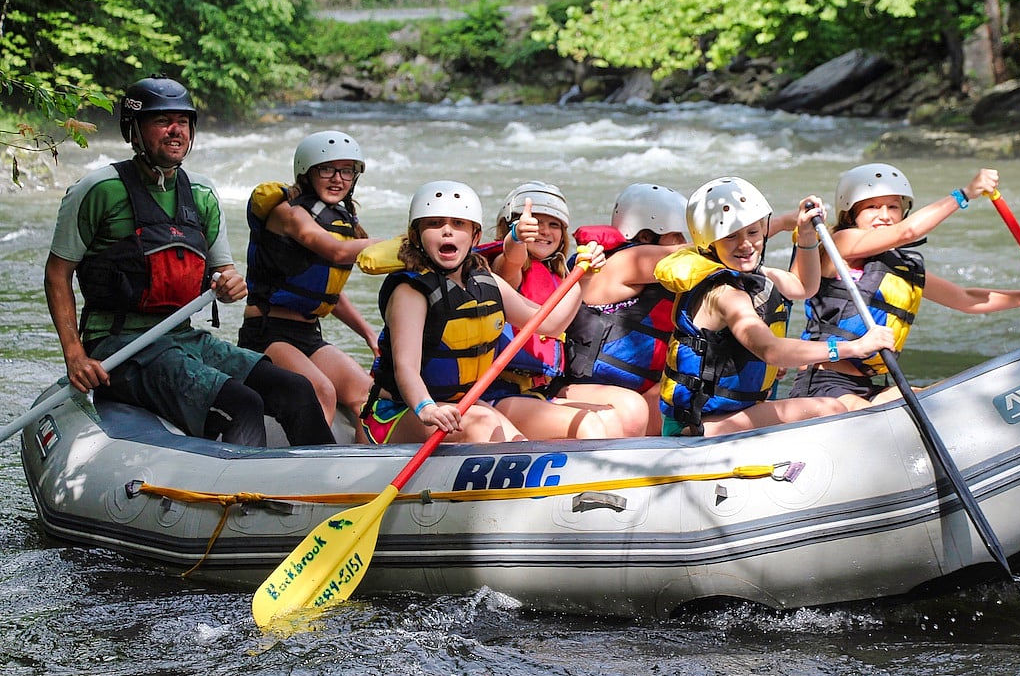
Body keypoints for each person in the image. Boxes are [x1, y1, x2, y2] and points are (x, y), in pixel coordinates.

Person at [43, 75, 334, 447]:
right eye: (162, 121)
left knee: (295, 389)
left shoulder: (201, 193)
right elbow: (57, 274)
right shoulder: (98, 190)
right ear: (133, 130)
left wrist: (231, 284)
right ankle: (243, 498)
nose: (175, 130)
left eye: (183, 121)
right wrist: (75, 355)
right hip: (118, 345)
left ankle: (328, 488)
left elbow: (224, 273)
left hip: (182, 336)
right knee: (241, 404)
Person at [789, 162, 1020, 411]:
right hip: (824, 383)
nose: (885, 215)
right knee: (884, 419)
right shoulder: (838, 245)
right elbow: (908, 232)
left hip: (870, 384)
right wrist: (964, 194)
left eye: (893, 207)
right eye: (873, 207)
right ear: (851, 214)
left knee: (943, 404)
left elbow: (967, 299)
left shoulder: (900, 267)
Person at [361, 180, 609, 444]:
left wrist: (583, 279)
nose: (447, 232)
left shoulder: (485, 282)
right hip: (398, 414)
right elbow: (406, 369)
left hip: (461, 407)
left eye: (458, 225)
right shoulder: (411, 292)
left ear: (475, 236)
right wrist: (427, 408)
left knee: (518, 446)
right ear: (416, 235)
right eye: (434, 224)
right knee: (484, 424)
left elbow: (550, 325)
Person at [654, 176, 895, 437]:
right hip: (699, 424)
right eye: (731, 236)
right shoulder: (725, 294)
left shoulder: (757, 275)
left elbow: (804, 287)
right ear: (709, 243)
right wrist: (854, 348)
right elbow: (771, 350)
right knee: (829, 409)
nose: (746, 244)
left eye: (753, 232)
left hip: (727, 414)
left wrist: (805, 233)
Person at [239, 131, 378, 442]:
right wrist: (402, 244)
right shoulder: (287, 212)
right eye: (326, 169)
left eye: (346, 171)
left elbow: (326, 292)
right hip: (267, 332)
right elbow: (336, 252)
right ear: (306, 171)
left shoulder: (345, 222)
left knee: (369, 397)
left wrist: (369, 333)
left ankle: (362, 471)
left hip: (309, 335)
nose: (337, 179)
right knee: (321, 390)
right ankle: (318, 475)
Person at [489, 181, 649, 438]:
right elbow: (511, 259)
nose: (543, 231)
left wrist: (584, 275)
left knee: (631, 410)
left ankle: (619, 476)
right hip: (503, 393)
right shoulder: (504, 269)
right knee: (590, 426)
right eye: (535, 223)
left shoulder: (559, 273)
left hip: (546, 388)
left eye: (553, 225)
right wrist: (517, 237)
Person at [564, 182, 690, 436]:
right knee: (633, 409)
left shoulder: (667, 278)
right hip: (580, 388)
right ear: (645, 237)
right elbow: (708, 253)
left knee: (682, 393)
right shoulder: (622, 262)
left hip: (635, 389)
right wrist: (754, 235)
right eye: (676, 236)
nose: (682, 243)